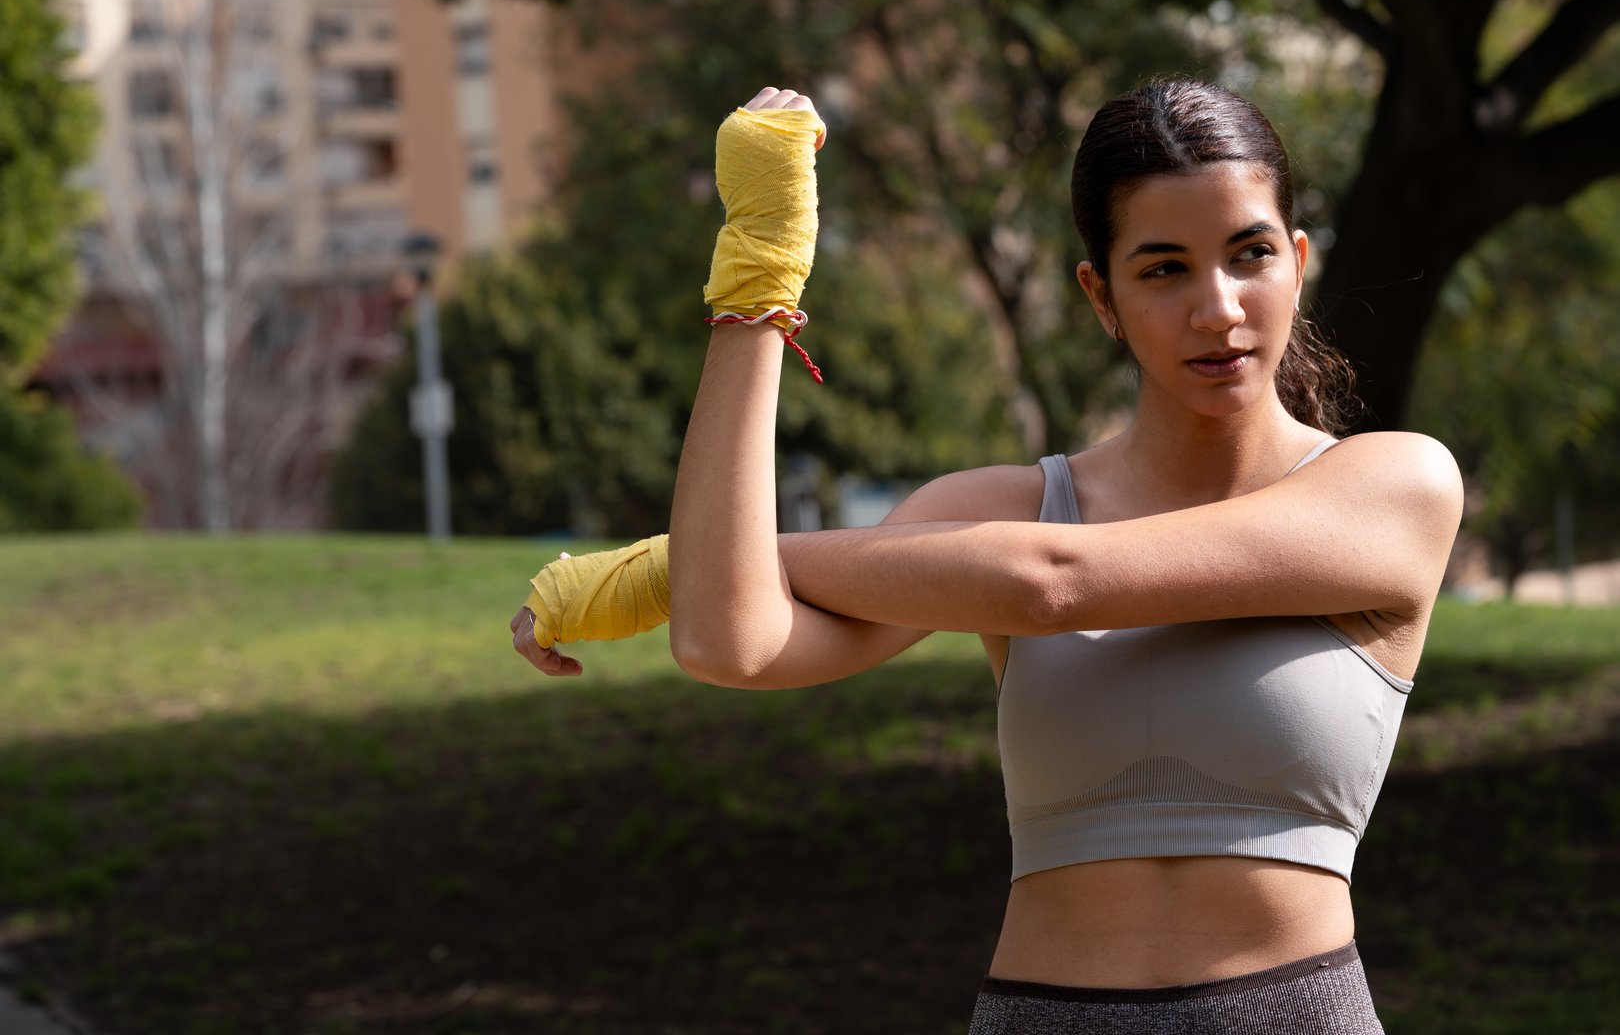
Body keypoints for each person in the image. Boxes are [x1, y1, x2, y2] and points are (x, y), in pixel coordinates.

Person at [512, 80, 1463, 1032]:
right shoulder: (998, 509)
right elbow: (733, 642)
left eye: (1249, 254)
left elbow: (1060, 583)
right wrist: (760, 277)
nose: (1218, 310)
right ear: (1103, 297)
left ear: (1298, 262)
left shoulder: (1393, 489)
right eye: (1164, 269)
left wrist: (680, 561)